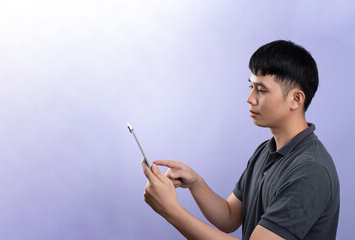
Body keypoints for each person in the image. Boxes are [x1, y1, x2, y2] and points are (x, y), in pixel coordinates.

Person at [141, 40, 340, 240]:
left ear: (296, 99)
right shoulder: (266, 151)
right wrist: (195, 182)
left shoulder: (310, 171)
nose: (250, 98)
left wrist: (171, 211)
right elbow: (229, 216)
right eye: (250, 86)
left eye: (261, 90)